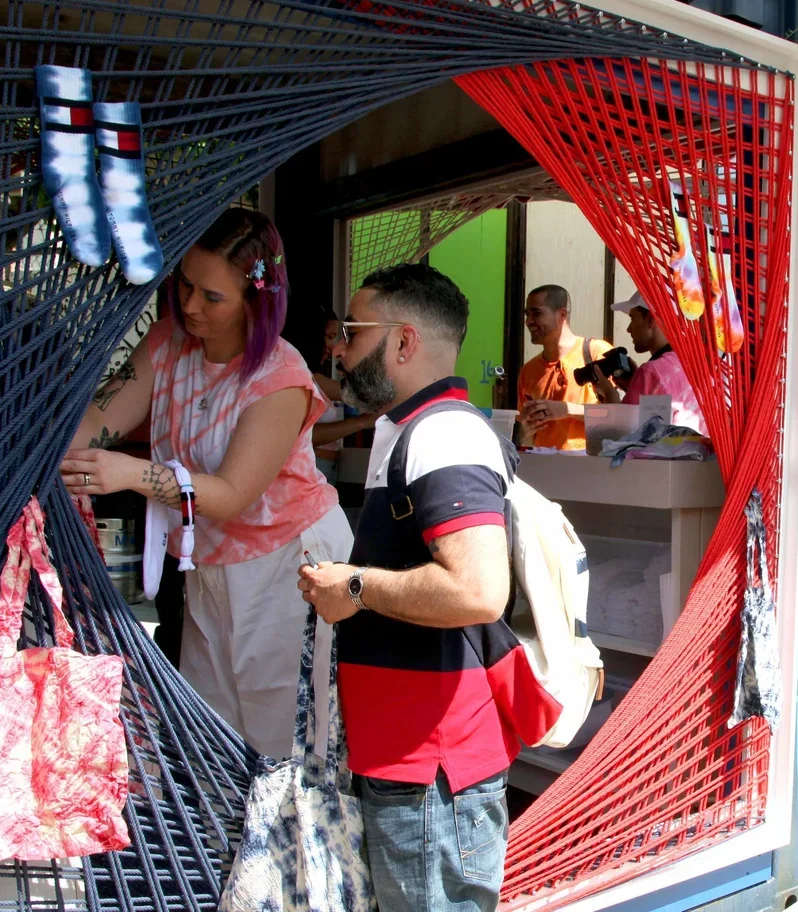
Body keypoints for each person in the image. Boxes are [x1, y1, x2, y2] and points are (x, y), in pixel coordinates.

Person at [298, 263, 549, 911]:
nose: (339, 348)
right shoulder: (413, 430)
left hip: (430, 776)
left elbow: (476, 591)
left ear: (403, 342)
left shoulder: (442, 434)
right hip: (411, 765)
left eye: (353, 332)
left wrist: (354, 586)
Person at [61, 208, 353, 759]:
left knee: (285, 736)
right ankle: (232, 843)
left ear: (256, 301)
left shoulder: (280, 375)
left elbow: (231, 494)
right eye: (185, 285)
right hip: (212, 564)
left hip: (291, 564)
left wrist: (135, 474)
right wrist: (56, 446)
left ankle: (287, 845)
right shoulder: (170, 340)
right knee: (213, 724)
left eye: (212, 297)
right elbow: (105, 414)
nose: (191, 305)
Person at [589, 289, 706, 434]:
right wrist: (635, 383)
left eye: (632, 318)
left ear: (650, 320)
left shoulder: (650, 372)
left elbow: (622, 439)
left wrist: (610, 397)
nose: (628, 329)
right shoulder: (695, 364)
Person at [517, 284, 613, 450]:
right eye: (527, 314)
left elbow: (618, 416)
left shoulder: (597, 353)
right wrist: (525, 431)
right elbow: (527, 437)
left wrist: (566, 409)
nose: (529, 321)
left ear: (562, 315)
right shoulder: (528, 371)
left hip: (590, 467)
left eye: (537, 313)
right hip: (544, 469)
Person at [304, 307, 376, 486]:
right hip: (313, 467)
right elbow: (359, 395)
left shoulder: (314, 377)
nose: (333, 347)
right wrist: (363, 422)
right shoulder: (307, 379)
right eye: (329, 336)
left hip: (327, 467)